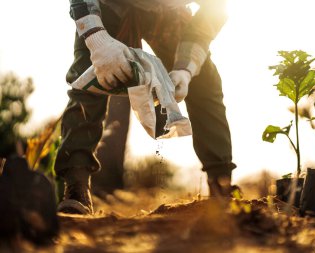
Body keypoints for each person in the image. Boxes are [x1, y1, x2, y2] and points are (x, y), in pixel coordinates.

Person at [56, 0, 237, 215]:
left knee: (204, 83)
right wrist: (97, 39)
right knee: (88, 79)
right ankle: (77, 187)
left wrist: (186, 70)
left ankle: (221, 184)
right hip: (110, 6)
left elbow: (215, 8)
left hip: (169, 12)